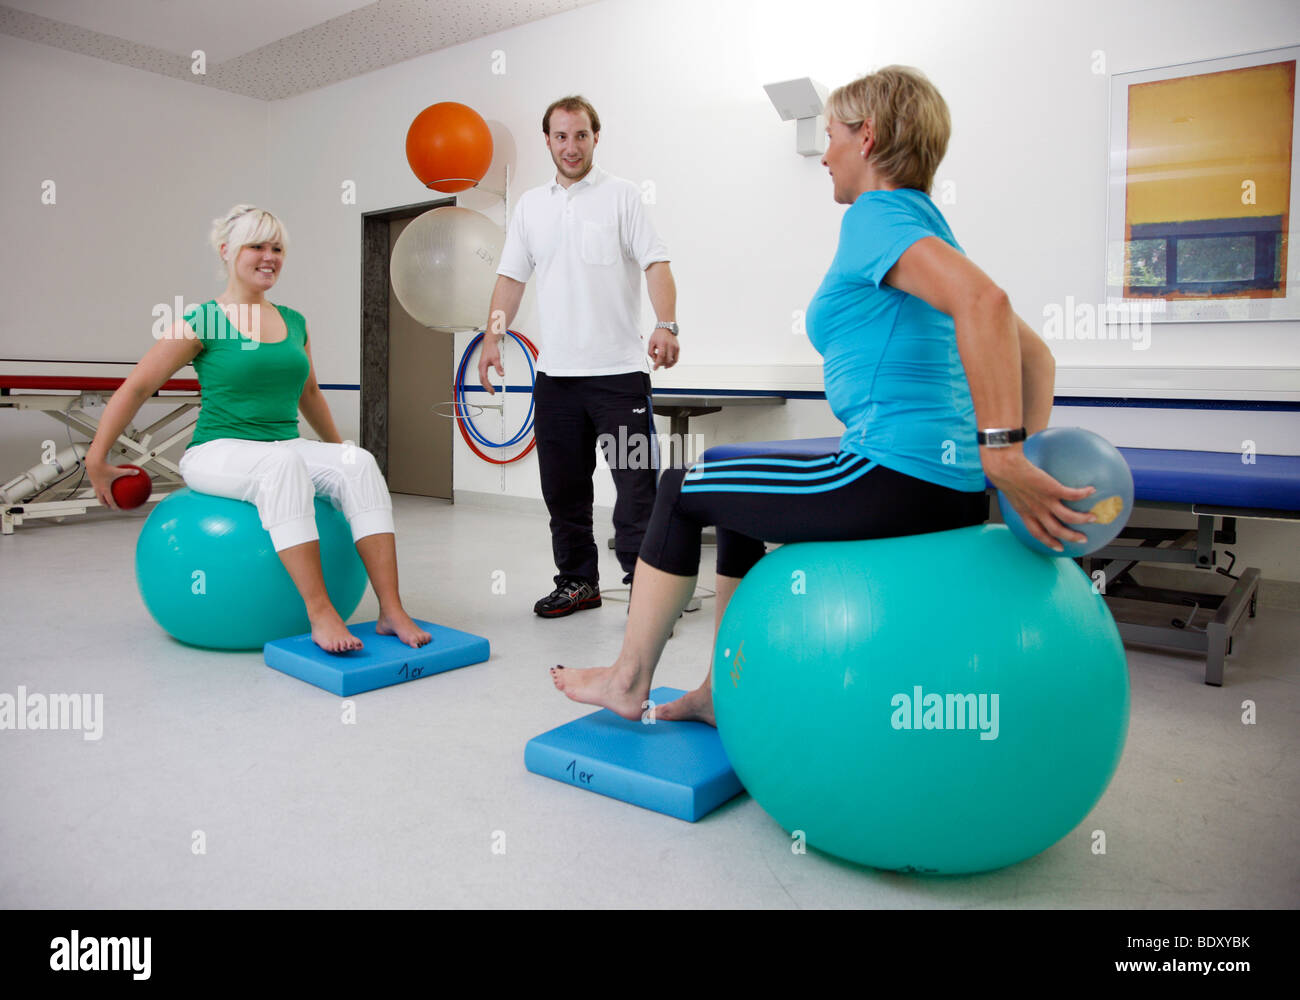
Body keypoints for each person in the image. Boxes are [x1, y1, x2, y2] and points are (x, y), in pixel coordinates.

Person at [551, 66, 1097, 724]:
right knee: (723, 478)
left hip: (891, 475)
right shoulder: (928, 225)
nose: (825, 154)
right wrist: (1007, 466)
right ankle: (719, 691)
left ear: (866, 139)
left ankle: (628, 681)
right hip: (938, 485)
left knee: (679, 485)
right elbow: (1035, 355)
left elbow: (987, 303)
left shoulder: (877, 214)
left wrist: (1008, 460)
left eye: (832, 136)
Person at [87, 204, 430, 654]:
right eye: (257, 246)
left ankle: (390, 610)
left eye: (278, 248)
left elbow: (309, 393)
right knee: (281, 464)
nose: (269, 257)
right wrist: (97, 459)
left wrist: (337, 455)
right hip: (217, 450)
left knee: (359, 462)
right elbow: (137, 388)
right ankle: (320, 611)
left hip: (282, 443)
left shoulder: (293, 322)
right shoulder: (204, 320)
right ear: (227, 251)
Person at [479, 95, 681, 618]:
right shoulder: (530, 206)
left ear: (596, 137)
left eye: (581, 135)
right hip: (556, 381)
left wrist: (666, 323)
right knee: (564, 493)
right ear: (547, 140)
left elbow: (656, 263)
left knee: (636, 493)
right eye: (561, 136)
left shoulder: (623, 197)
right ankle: (578, 583)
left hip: (619, 376)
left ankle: (647, 592)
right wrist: (491, 337)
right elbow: (510, 278)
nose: (571, 146)